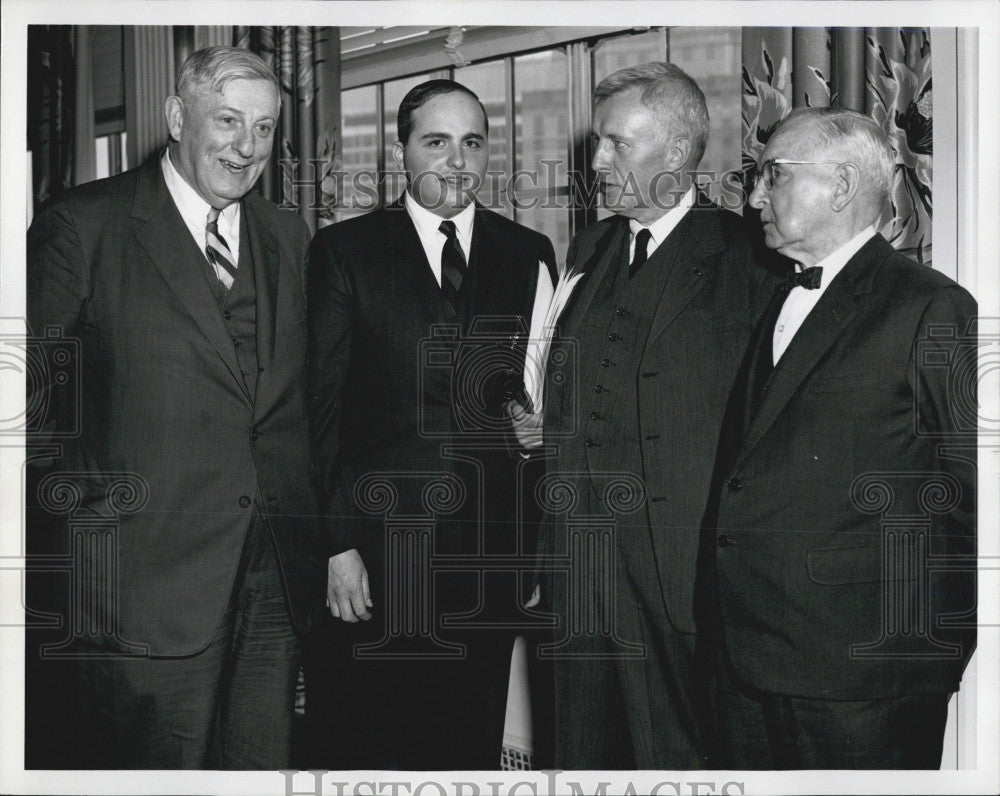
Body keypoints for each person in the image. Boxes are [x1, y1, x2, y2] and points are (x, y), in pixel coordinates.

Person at [25, 45, 326, 769]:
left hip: (272, 581)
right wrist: (92, 517)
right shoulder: (82, 226)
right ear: (175, 117)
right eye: (226, 120)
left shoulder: (288, 236)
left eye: (262, 128)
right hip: (142, 588)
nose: (246, 146)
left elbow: (292, 405)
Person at [701, 106, 977, 769]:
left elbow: (975, 494)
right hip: (751, 661)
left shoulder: (929, 307)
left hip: (864, 682)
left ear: (844, 185)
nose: (754, 196)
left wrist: (926, 651)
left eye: (773, 175)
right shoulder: (778, 297)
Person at [304, 79, 556, 770]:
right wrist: (336, 546)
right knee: (369, 746)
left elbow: (532, 407)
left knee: (466, 745)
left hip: (490, 559)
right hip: (378, 558)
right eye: (436, 142)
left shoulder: (528, 252)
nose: (456, 160)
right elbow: (317, 411)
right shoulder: (344, 252)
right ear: (402, 151)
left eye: (472, 143)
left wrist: (536, 544)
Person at [534, 62, 773, 769]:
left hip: (681, 582)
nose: (597, 161)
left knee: (677, 759)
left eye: (616, 144)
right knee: (581, 753)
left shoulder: (748, 256)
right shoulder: (592, 247)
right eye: (598, 143)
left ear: (675, 154)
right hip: (578, 573)